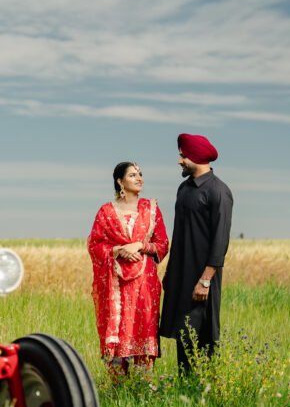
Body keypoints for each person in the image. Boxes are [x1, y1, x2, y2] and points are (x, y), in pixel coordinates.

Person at [159, 133, 234, 373]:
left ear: (197, 157)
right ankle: (185, 386)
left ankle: (205, 387)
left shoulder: (219, 191)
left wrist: (206, 279)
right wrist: (170, 272)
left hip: (203, 275)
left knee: (202, 332)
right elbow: (179, 233)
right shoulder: (183, 189)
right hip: (181, 273)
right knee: (183, 331)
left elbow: (221, 239)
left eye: (183, 156)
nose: (180, 161)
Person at [88, 162, 169, 378]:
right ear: (120, 181)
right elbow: (94, 245)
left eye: (140, 174)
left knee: (144, 328)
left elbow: (162, 244)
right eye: (133, 175)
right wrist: (118, 250)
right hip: (116, 285)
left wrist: (140, 246)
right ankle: (117, 389)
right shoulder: (106, 212)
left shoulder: (151, 209)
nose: (139, 178)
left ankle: (143, 387)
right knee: (119, 331)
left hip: (145, 285)